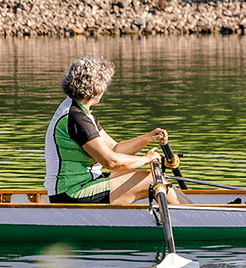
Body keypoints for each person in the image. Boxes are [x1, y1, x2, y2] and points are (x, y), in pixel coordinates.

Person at [44, 56, 179, 204]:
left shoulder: (81, 112)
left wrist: (146, 138)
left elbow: (115, 149)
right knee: (150, 178)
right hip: (71, 194)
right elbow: (110, 161)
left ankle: (191, 211)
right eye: (106, 84)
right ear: (95, 88)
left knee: (152, 177)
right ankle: (194, 221)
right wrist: (146, 159)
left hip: (85, 183)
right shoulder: (75, 117)